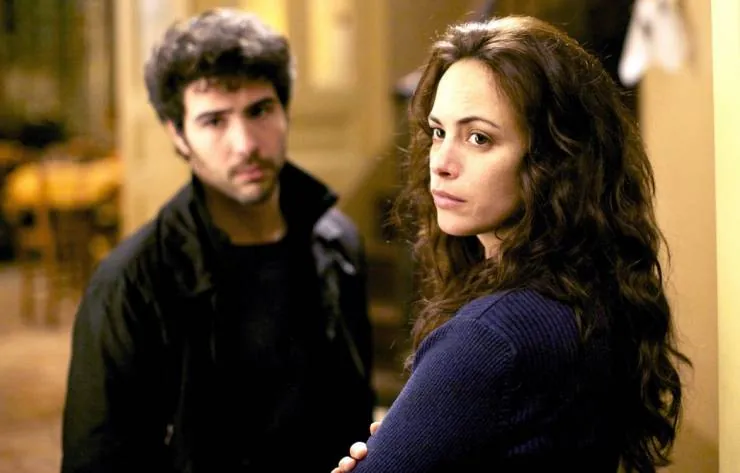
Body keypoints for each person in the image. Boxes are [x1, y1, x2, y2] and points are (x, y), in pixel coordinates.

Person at [330, 15, 689, 473]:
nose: (441, 162)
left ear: (553, 158)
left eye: (479, 138)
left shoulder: (490, 336)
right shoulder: (590, 290)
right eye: (439, 132)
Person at [61, 8, 375, 472]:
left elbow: (353, 413)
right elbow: (99, 461)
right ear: (178, 135)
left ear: (285, 110)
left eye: (259, 110)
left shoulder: (338, 241)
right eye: (214, 121)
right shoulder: (129, 283)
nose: (245, 143)